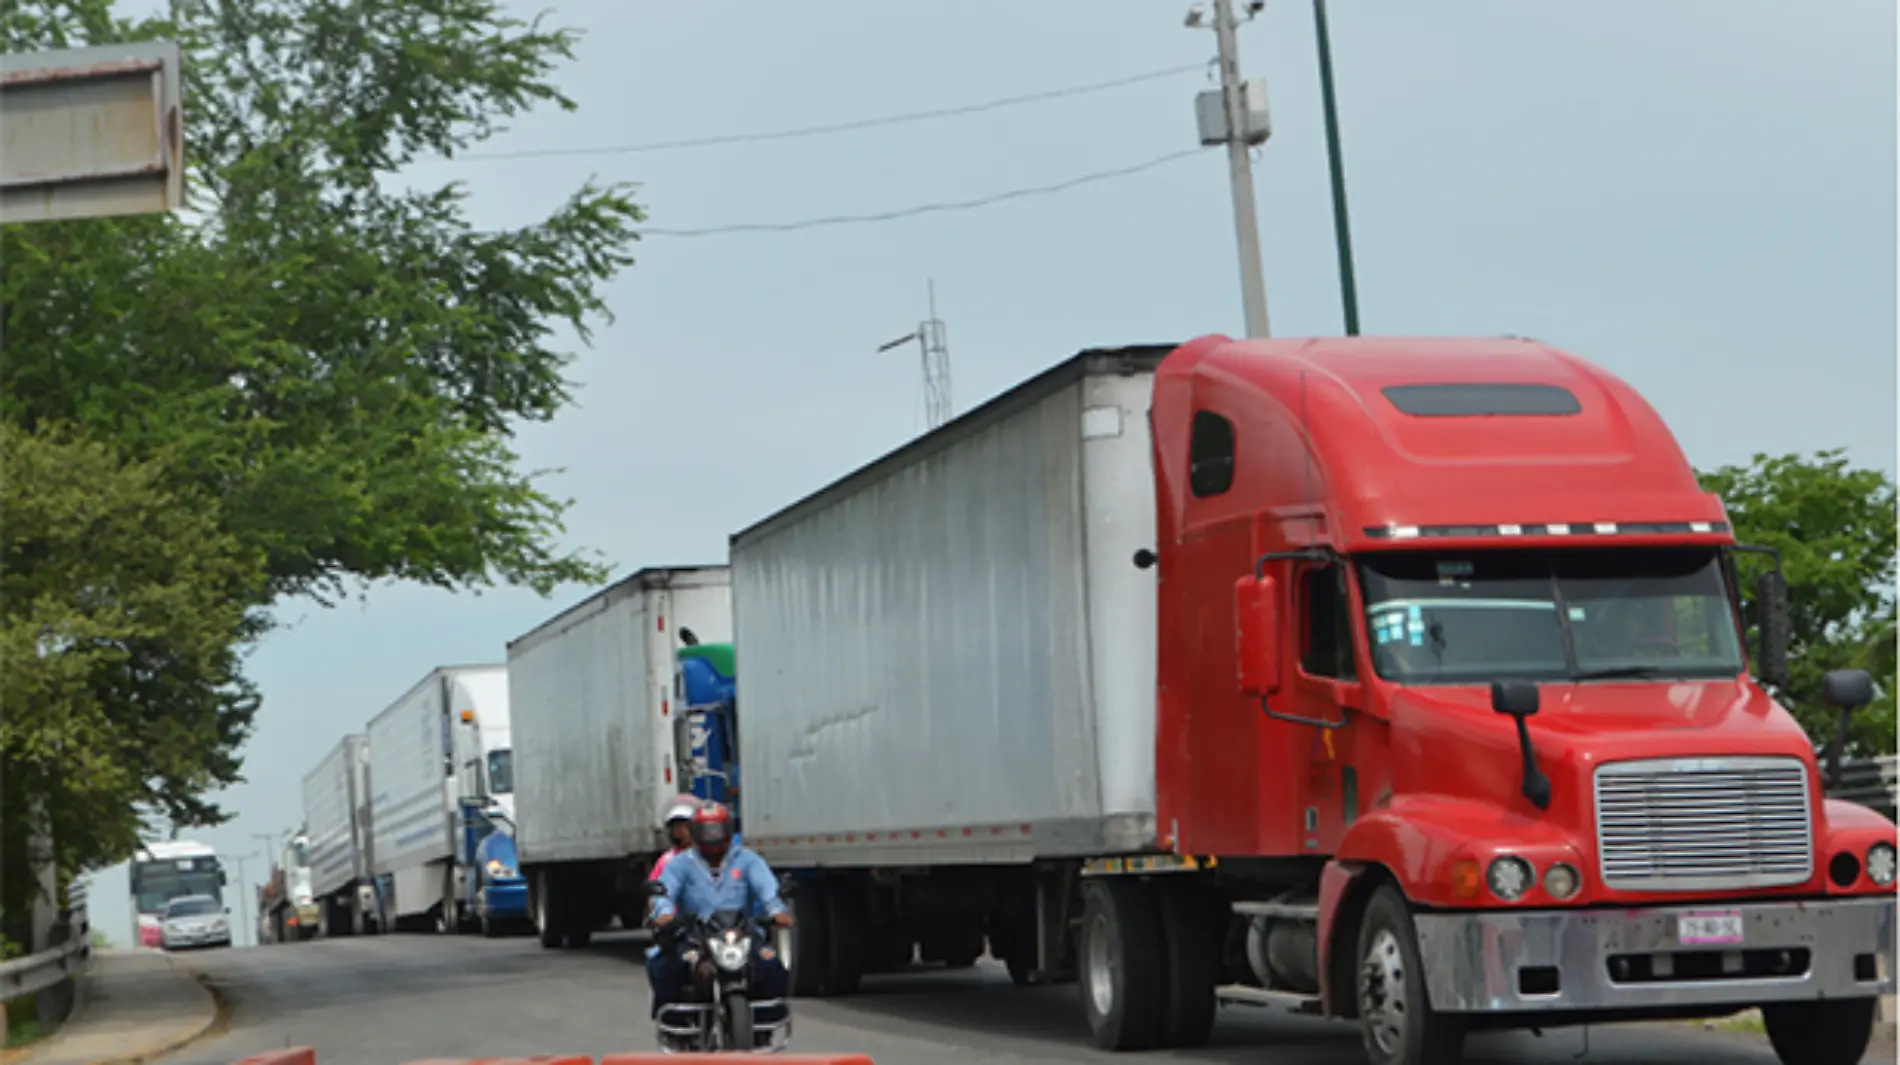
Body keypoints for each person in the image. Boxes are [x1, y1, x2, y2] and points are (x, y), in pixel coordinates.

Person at [646, 802, 793, 1047]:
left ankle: (764, 1027)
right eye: (706, 832)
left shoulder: (747, 860)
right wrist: (664, 914)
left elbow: (768, 889)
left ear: (728, 830)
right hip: (695, 935)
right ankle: (676, 1028)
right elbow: (664, 892)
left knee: (771, 965)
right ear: (695, 833)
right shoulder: (681, 864)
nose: (712, 839)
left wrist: (778, 911)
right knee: (664, 966)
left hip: (741, 933)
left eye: (717, 831)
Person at [649, 794, 701, 883]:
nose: (679, 830)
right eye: (675, 826)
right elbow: (655, 884)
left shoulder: (704, 856)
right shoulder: (666, 860)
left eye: (683, 825)